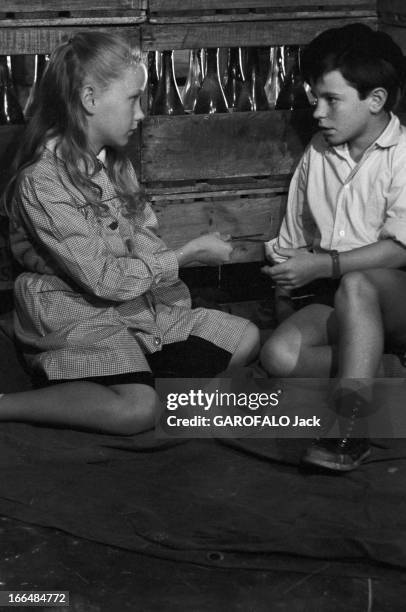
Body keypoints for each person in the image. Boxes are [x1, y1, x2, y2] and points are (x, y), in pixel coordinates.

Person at [0, 32, 260, 435]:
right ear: (89, 100)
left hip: (137, 307)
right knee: (136, 412)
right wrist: (185, 255)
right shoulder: (43, 181)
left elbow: (144, 236)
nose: (141, 114)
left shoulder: (116, 166)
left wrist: (154, 260)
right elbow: (101, 278)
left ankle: (147, 381)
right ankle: (9, 405)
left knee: (244, 336)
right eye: (132, 100)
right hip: (78, 313)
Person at [260, 23, 406, 471]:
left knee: (359, 284)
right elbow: (292, 240)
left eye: (332, 100)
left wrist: (325, 266)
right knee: (278, 356)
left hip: (394, 297)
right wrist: (286, 291)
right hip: (335, 299)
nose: (318, 112)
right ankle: (385, 370)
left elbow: (400, 251)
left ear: (375, 100)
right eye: (314, 97)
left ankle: (350, 429)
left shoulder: (403, 157)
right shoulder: (318, 152)